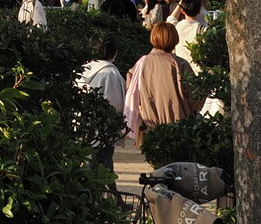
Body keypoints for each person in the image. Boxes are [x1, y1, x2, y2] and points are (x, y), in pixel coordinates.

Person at [124, 22, 196, 140]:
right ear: (175, 39)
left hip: (149, 124)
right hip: (180, 127)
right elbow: (196, 96)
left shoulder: (141, 63)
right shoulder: (180, 64)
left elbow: (131, 91)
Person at [77, 35, 126, 169]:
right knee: (100, 166)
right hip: (103, 132)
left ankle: (109, 189)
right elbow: (116, 105)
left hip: (80, 127)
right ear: (113, 52)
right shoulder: (111, 73)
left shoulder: (82, 69)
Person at [173, 0, 209, 65]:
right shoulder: (204, 30)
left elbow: (171, 17)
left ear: (182, 11)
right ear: (199, 11)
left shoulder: (175, 26)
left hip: (180, 68)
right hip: (198, 71)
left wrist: (182, 0)